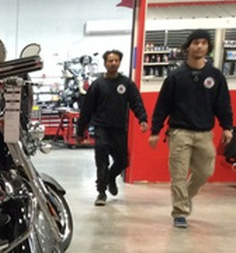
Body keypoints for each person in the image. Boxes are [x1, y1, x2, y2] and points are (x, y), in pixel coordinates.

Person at [149, 29, 234, 228]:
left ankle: (184, 199)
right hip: (180, 133)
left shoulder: (215, 76)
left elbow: (222, 104)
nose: (200, 46)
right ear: (188, 47)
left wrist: (227, 127)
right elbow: (163, 105)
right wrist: (155, 131)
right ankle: (179, 212)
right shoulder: (176, 77)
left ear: (208, 48)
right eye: (196, 42)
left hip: (204, 133)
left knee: (205, 172)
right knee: (178, 174)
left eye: (204, 43)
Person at [76, 49, 148, 206]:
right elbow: (87, 109)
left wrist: (142, 118)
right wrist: (80, 130)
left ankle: (110, 179)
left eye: (116, 60)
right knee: (102, 162)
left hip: (119, 129)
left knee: (123, 162)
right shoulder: (97, 85)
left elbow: (136, 102)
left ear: (120, 62)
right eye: (110, 60)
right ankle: (101, 193)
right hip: (102, 129)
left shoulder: (126, 84)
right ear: (105, 63)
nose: (113, 63)